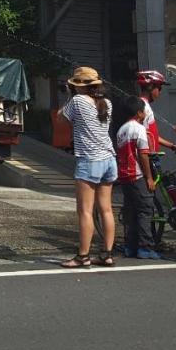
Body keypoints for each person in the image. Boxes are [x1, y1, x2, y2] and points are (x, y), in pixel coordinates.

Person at [59, 66, 116, 268]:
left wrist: (69, 95)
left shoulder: (77, 101)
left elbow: (61, 119)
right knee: (106, 209)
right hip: (109, 159)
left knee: (85, 211)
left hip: (90, 159)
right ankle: (107, 254)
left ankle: (83, 256)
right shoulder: (106, 103)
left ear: (78, 86)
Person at [115, 96, 157, 260]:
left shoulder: (121, 130)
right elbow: (143, 154)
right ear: (139, 113)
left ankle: (130, 247)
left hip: (125, 176)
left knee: (131, 212)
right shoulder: (138, 129)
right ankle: (145, 247)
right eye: (144, 111)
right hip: (137, 174)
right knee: (145, 210)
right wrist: (149, 178)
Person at [135, 70, 176, 155]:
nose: (160, 92)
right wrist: (152, 156)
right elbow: (145, 135)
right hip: (149, 156)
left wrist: (173, 146)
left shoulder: (145, 105)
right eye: (159, 88)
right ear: (150, 87)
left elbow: (153, 135)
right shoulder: (143, 107)